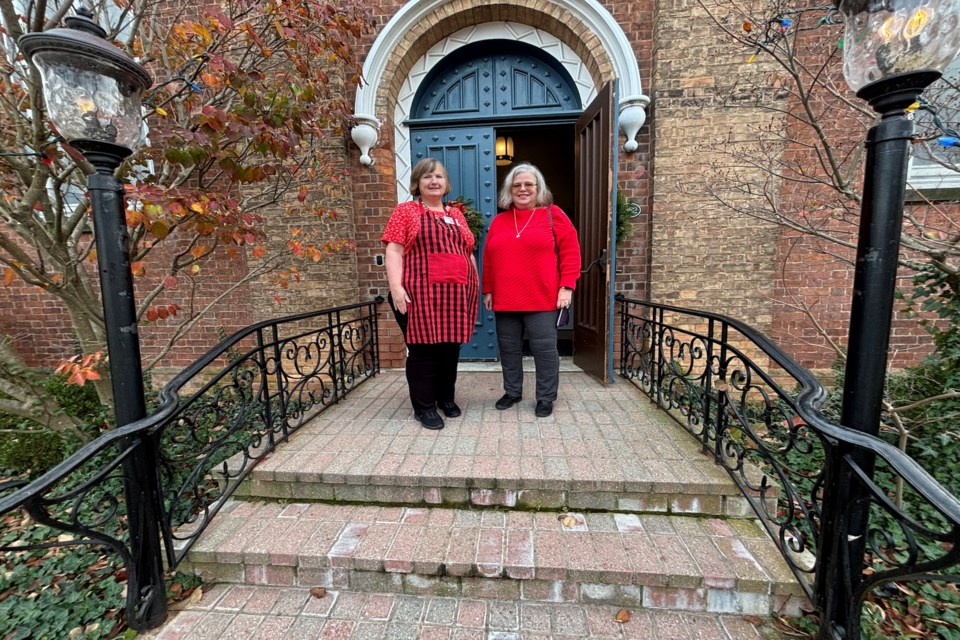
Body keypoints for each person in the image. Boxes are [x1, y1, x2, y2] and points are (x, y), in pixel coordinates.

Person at [382, 158, 479, 430]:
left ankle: (445, 398)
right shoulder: (406, 212)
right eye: (427, 177)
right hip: (418, 294)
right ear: (417, 183)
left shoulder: (457, 215)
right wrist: (396, 288)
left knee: (450, 349)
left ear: (446, 183)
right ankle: (424, 407)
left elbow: (467, 252)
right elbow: (394, 250)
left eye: (438, 176)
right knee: (423, 351)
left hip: (456, 295)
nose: (433, 181)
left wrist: (476, 285)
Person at [482, 163, 581, 418]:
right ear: (509, 190)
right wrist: (489, 290)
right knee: (509, 349)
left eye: (528, 184)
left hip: (543, 298)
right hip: (506, 299)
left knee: (545, 351)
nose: (522, 189)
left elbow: (571, 254)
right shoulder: (499, 220)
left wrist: (567, 287)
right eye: (517, 185)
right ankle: (512, 392)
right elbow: (489, 259)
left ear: (539, 188)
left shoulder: (553, 214)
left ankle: (545, 397)